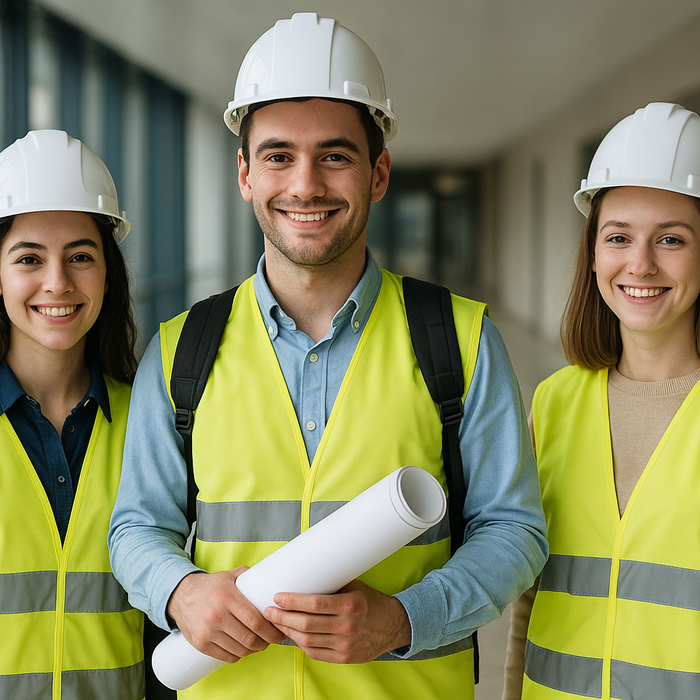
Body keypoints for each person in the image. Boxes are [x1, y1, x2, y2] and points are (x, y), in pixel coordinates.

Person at [109, 12, 547, 700]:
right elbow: (137, 526)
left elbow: (513, 531)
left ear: (378, 174)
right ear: (246, 175)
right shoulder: (179, 349)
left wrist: (405, 619)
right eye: (279, 155)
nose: (305, 184)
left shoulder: (459, 339)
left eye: (334, 156)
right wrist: (179, 591)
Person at [502, 102, 700, 700]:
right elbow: (529, 600)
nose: (640, 264)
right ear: (594, 254)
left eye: (671, 239)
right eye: (619, 238)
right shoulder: (555, 402)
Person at [0, 130, 144, 698]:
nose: (57, 282)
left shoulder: (151, 424)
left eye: (80, 257)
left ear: (108, 273)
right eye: (28, 258)